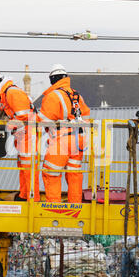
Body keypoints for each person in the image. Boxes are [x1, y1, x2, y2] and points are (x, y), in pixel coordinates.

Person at [0, 70, 40, 201]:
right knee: (24, 167)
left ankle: (32, 198)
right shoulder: (5, 94)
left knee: (28, 168)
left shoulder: (12, 93)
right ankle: (25, 195)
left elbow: (24, 117)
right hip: (23, 135)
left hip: (27, 134)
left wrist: (9, 125)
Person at [37, 64, 90, 203]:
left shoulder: (53, 96)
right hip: (79, 140)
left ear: (52, 79)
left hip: (62, 141)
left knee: (51, 173)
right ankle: (75, 206)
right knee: (74, 175)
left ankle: (54, 207)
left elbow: (43, 121)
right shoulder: (77, 95)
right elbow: (86, 117)